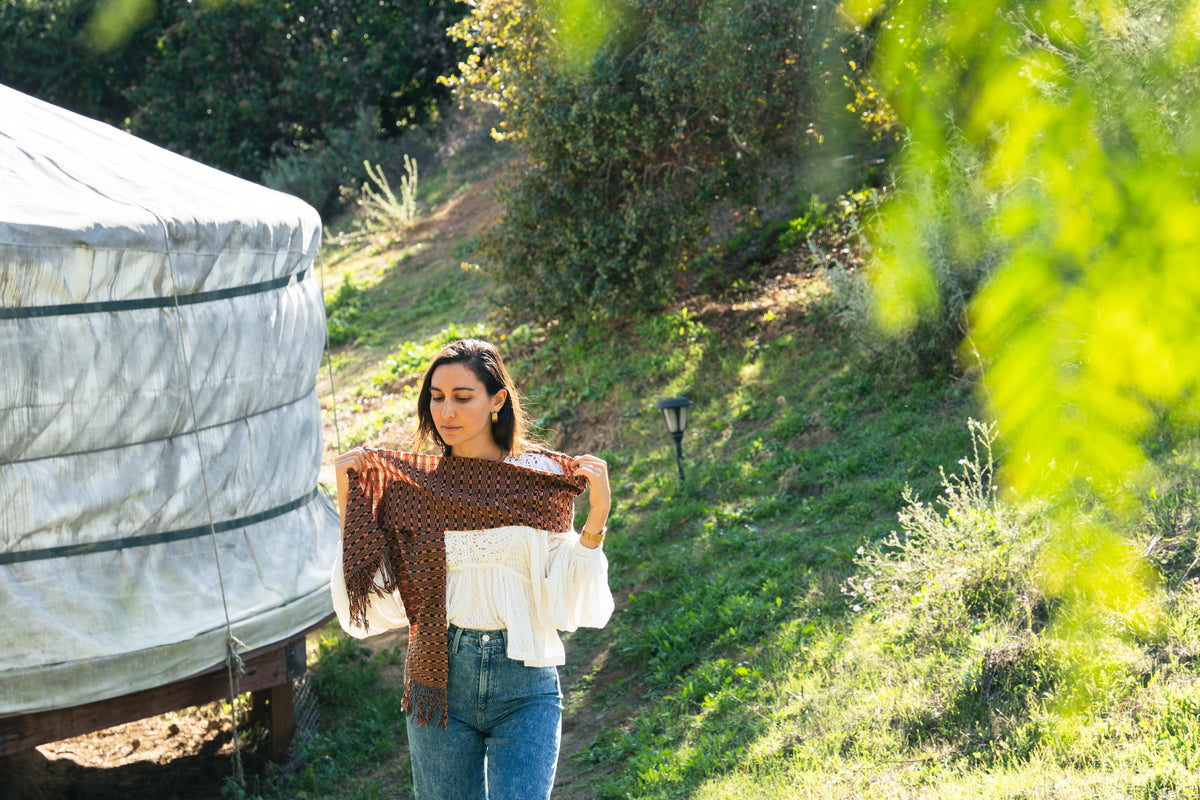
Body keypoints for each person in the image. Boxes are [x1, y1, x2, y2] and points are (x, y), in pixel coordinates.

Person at [329, 338, 614, 800]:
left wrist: (596, 518)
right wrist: (352, 506)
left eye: (463, 398)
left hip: (526, 682)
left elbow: (563, 598)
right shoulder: (415, 488)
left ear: (496, 400)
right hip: (440, 685)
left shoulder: (537, 478)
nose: (447, 412)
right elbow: (379, 591)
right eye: (436, 398)